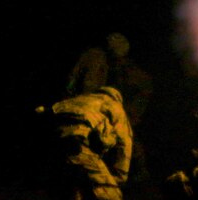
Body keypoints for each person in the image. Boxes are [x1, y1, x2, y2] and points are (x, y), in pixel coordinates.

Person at [36, 85, 133, 200]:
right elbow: (124, 145)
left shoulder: (77, 100)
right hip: (79, 148)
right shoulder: (113, 105)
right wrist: (118, 179)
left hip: (54, 152)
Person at [65, 32, 153, 180]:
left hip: (96, 107)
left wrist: (132, 113)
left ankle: (132, 174)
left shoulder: (124, 69)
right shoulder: (95, 58)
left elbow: (142, 90)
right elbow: (73, 79)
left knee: (120, 138)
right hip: (87, 106)